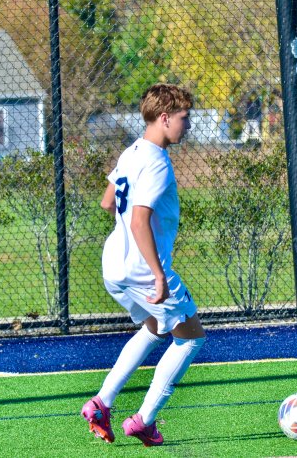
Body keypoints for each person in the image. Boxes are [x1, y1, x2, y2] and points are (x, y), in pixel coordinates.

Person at [81, 83, 206, 447]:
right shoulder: (157, 164)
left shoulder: (132, 152)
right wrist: (156, 273)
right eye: (184, 118)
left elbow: (108, 202)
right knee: (190, 338)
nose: (188, 125)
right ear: (165, 118)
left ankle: (102, 402)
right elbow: (138, 220)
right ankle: (144, 420)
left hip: (113, 263)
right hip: (140, 267)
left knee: (154, 327)